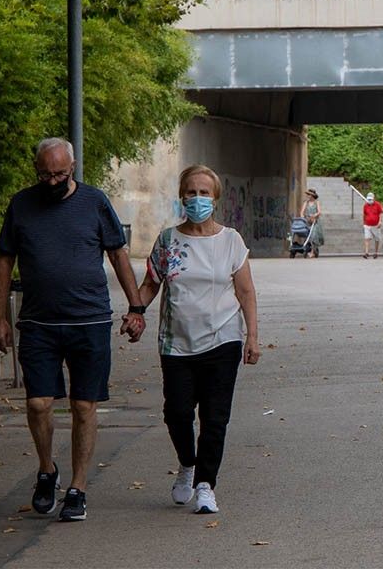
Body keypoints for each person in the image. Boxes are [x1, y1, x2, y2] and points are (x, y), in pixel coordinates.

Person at [0, 138, 144, 522]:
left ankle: (78, 486)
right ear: (36, 169)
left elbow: (118, 253)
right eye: (45, 174)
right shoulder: (22, 204)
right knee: (39, 403)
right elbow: (5, 261)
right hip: (39, 323)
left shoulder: (94, 202)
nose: (52, 180)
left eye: (59, 173)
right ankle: (46, 470)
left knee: (83, 406)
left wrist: (136, 305)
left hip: (88, 321)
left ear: (72, 167)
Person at [125, 164, 260, 515]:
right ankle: (188, 464)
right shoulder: (169, 240)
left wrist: (253, 338)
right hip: (177, 343)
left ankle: (205, 485)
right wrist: (136, 312)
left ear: (215, 198)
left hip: (223, 340)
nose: (197, 198)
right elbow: (152, 282)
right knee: (178, 413)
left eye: (204, 192)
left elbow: (245, 292)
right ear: (181, 197)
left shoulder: (231, 240)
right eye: (191, 192)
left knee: (215, 418)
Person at [299, 189, 325, 257]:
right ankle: (309, 248)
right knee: (307, 235)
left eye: (309, 194)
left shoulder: (317, 202)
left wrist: (314, 215)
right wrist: (303, 218)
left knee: (313, 235)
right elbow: (302, 212)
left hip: (315, 221)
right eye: (307, 194)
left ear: (312, 195)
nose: (307, 196)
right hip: (307, 221)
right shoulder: (306, 203)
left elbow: (319, 212)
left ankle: (312, 252)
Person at [362, 192, 383, 259]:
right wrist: (364, 222)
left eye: (371, 199)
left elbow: (381, 214)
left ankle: (376, 252)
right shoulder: (365, 205)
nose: (369, 201)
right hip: (367, 225)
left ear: (373, 198)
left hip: (376, 225)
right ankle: (366, 252)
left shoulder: (378, 205)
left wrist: (380, 221)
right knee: (367, 238)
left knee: (377, 239)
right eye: (368, 199)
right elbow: (364, 214)